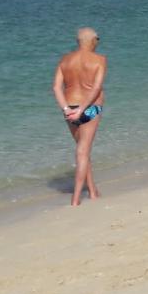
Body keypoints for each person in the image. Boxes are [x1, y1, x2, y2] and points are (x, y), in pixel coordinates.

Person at [51, 27, 106, 206]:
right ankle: (76, 199)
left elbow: (56, 88)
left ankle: (92, 191)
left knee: (83, 150)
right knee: (83, 151)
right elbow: (96, 88)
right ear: (93, 41)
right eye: (97, 39)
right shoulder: (99, 60)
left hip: (70, 109)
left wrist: (67, 109)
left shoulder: (65, 60)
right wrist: (83, 109)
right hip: (90, 109)